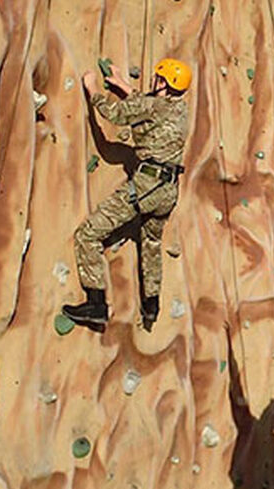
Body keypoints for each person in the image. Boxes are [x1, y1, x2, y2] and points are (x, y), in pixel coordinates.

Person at [62, 58, 192, 331]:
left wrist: (93, 89)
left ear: (164, 85)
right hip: (168, 191)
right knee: (151, 241)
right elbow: (150, 109)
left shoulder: (153, 104)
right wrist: (124, 85)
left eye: (159, 78)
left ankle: (96, 302)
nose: (154, 81)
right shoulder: (180, 108)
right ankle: (151, 305)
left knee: (88, 234)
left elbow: (117, 114)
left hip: (146, 186)